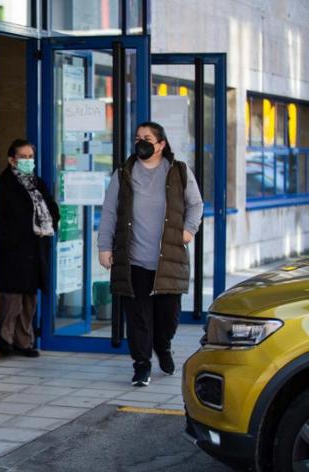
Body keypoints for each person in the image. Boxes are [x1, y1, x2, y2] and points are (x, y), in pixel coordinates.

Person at [97, 122, 203, 387]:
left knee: (168, 317)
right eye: (137, 138)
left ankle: (163, 346)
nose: (140, 142)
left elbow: (196, 204)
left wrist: (188, 231)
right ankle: (141, 365)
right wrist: (104, 247)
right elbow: (110, 212)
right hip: (133, 259)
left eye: (147, 138)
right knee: (137, 319)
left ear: (161, 144)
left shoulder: (179, 171)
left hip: (168, 258)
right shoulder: (123, 174)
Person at [0, 139, 60, 357]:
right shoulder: (1, 186)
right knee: (12, 299)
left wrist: (47, 227)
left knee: (30, 299)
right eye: (23, 157)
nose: (28, 161)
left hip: (36, 248)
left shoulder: (37, 183)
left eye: (31, 157)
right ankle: (5, 339)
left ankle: (24, 341)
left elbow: (52, 209)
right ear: (12, 160)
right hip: (13, 251)